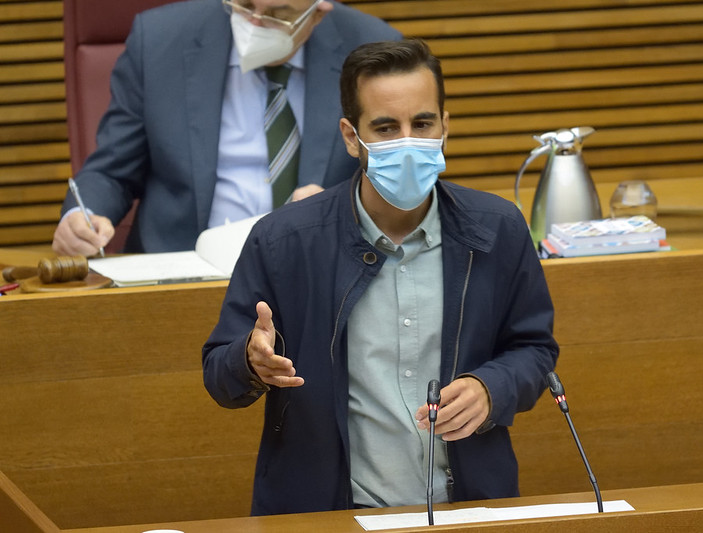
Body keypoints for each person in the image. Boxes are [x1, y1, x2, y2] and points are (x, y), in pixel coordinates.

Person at [202, 38, 559, 516]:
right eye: (387, 128)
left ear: (445, 128)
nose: (408, 141)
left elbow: (535, 350)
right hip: (331, 513)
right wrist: (250, 362)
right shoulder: (284, 240)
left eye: (423, 124)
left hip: (467, 507)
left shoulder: (497, 229)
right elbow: (219, 374)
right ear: (352, 137)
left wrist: (491, 388)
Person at [53, 0, 400, 255]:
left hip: (321, 271)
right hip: (182, 270)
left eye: (279, 15)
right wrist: (81, 215)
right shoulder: (158, 42)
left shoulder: (376, 52)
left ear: (320, 10)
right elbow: (112, 171)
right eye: (245, 6)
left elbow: (401, 181)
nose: (255, 23)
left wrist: (344, 205)